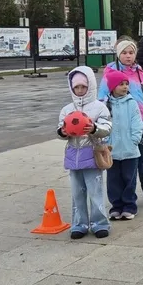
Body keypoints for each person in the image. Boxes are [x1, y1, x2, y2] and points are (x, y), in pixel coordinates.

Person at [101, 39, 143, 210]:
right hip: (118, 130)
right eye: (124, 53)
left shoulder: (141, 73)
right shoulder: (110, 73)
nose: (128, 56)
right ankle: (121, 201)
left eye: (131, 53)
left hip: (142, 127)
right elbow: (102, 99)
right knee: (119, 169)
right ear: (118, 54)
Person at [58, 67, 113, 239]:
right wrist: (62, 132)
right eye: (77, 87)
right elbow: (60, 127)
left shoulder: (100, 107)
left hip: (92, 154)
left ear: (90, 86)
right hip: (74, 155)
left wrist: (95, 128)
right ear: (72, 88)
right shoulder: (67, 109)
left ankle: (100, 223)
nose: (80, 90)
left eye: (83, 86)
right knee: (77, 192)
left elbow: (107, 127)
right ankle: (79, 224)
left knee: (95, 191)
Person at [104, 70, 143, 220]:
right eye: (121, 84)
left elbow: (137, 123)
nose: (125, 87)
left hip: (130, 150)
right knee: (113, 180)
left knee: (129, 179)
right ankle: (116, 206)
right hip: (112, 151)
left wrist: (135, 140)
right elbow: (103, 124)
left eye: (127, 84)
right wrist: (105, 142)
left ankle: (129, 206)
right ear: (112, 87)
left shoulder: (131, 102)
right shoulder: (106, 105)